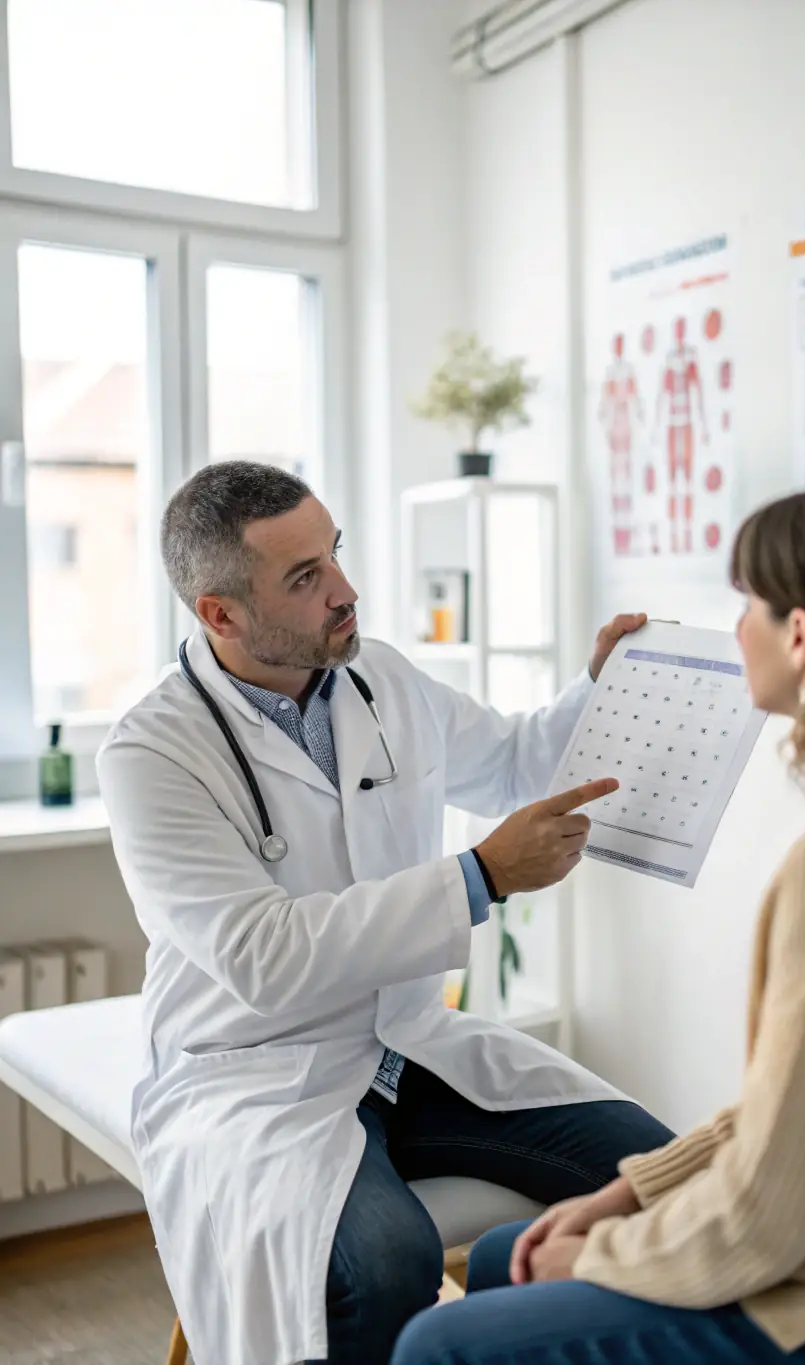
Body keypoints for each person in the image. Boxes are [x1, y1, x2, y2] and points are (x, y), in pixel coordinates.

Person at [392, 483, 805, 1365]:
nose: (737, 629)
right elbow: (794, 1106)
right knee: (503, 1256)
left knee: (438, 1343)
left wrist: (602, 1252)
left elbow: (774, 1208)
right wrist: (623, 1196)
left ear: (800, 635)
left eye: (750, 603)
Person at [96, 461, 675, 1365]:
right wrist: (480, 876)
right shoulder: (151, 753)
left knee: (659, 1174)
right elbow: (262, 955)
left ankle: (499, 1340)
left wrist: (597, 687)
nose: (345, 590)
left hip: (409, 1043)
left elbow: (515, 761)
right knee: (382, 1260)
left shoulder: (382, 680)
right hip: (261, 1070)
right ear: (220, 614)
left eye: (334, 553)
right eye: (305, 577)